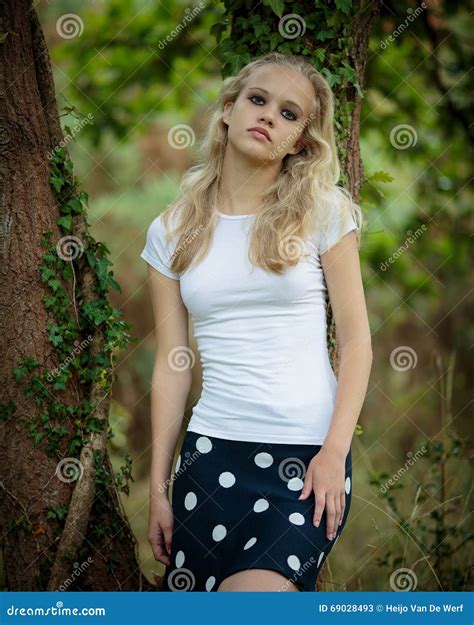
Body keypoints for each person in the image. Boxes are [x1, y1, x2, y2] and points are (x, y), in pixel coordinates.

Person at [140, 52, 372, 592]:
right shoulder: (170, 231)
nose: (269, 117)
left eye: (290, 115)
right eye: (259, 100)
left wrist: (334, 451)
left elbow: (357, 342)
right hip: (209, 456)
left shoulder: (324, 212)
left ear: (301, 142)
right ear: (228, 108)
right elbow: (174, 365)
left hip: (307, 458)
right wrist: (157, 490)